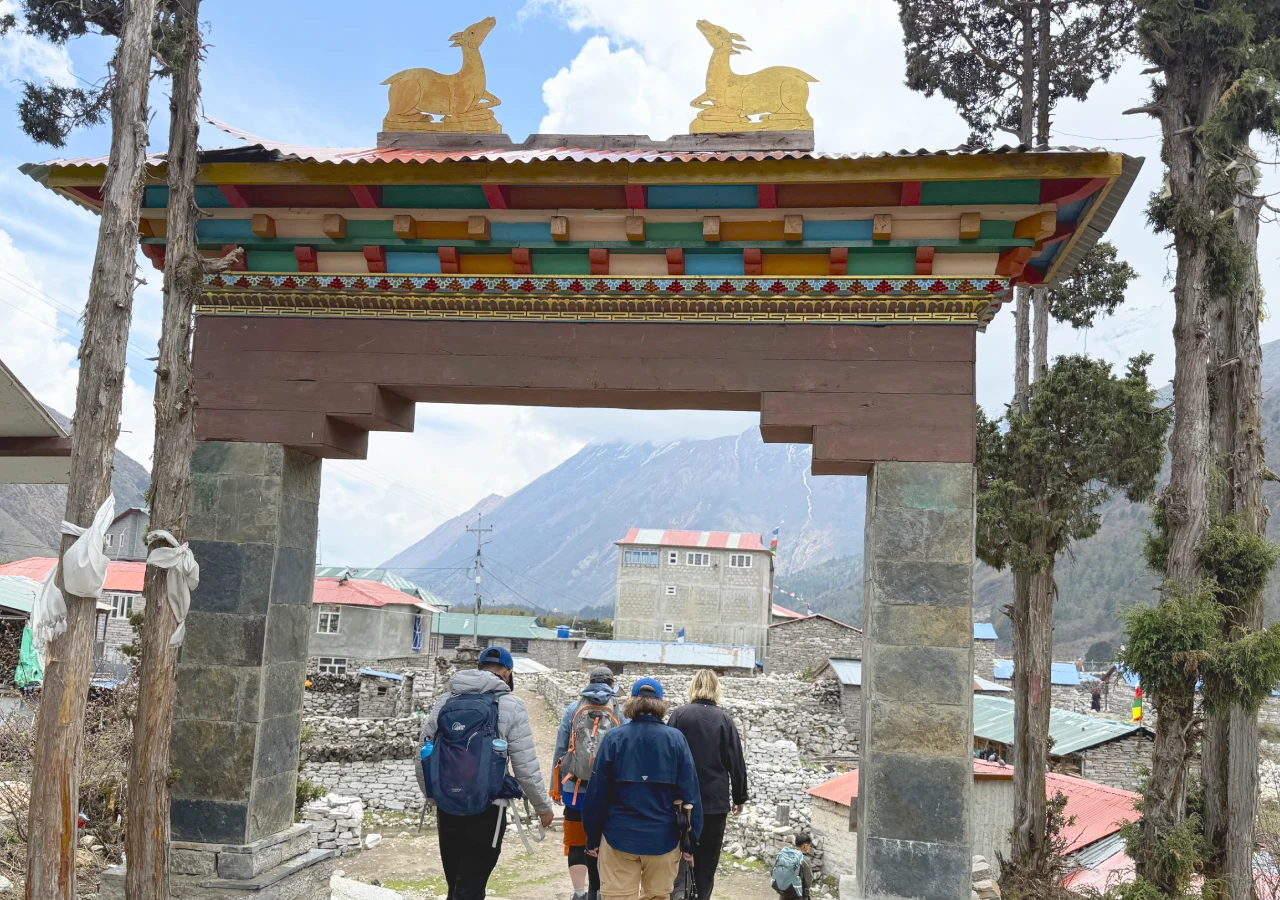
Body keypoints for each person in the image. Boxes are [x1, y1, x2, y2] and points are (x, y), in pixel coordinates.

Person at [418, 647, 554, 900]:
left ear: (479, 667)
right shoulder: (511, 705)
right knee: (472, 883)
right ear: (508, 673)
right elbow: (525, 765)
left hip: (448, 805)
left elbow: (423, 754)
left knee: (455, 883)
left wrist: (434, 795)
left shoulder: (445, 701)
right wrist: (543, 807)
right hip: (489, 807)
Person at [583, 677, 703, 900]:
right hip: (663, 838)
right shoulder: (676, 740)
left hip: (619, 836)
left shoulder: (614, 738)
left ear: (632, 702)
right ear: (661, 704)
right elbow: (690, 793)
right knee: (658, 896)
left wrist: (592, 837)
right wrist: (691, 841)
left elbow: (597, 792)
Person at [667, 669, 748, 900]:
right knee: (707, 864)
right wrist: (739, 797)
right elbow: (736, 762)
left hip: (681, 802)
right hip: (714, 802)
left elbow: (669, 755)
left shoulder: (679, 715)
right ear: (716, 689)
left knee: (679, 858)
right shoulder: (724, 720)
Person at [554, 666, 625, 900]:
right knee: (603, 842)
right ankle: (599, 891)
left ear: (589, 682)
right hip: (607, 791)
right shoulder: (619, 711)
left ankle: (578, 893)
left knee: (576, 842)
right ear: (611, 684)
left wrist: (556, 787)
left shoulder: (573, 709)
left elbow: (560, 750)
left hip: (574, 789)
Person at [769, 833, 814, 900]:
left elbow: (773, 871)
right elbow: (808, 882)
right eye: (809, 846)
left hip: (783, 893)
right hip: (797, 895)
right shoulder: (805, 860)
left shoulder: (785, 854)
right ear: (805, 846)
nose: (809, 848)